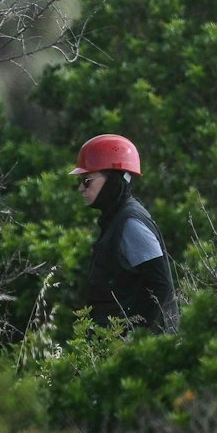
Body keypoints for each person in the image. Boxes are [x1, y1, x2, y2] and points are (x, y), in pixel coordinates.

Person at [72, 133, 178, 334]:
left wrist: (137, 337)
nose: (80, 188)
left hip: (141, 354)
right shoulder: (115, 219)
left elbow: (161, 287)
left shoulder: (130, 222)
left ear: (113, 180)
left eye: (86, 180)